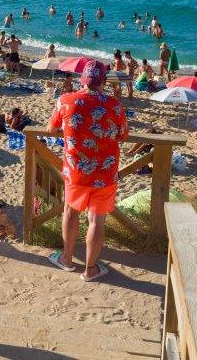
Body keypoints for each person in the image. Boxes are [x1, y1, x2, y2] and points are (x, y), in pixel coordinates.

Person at [46, 60, 128, 282]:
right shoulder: (116, 106)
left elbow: (51, 128)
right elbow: (123, 135)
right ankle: (90, 270)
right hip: (105, 172)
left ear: (83, 79)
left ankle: (67, 259)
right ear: (103, 81)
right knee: (96, 220)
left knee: (70, 212)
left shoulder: (65, 101)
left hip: (75, 171)